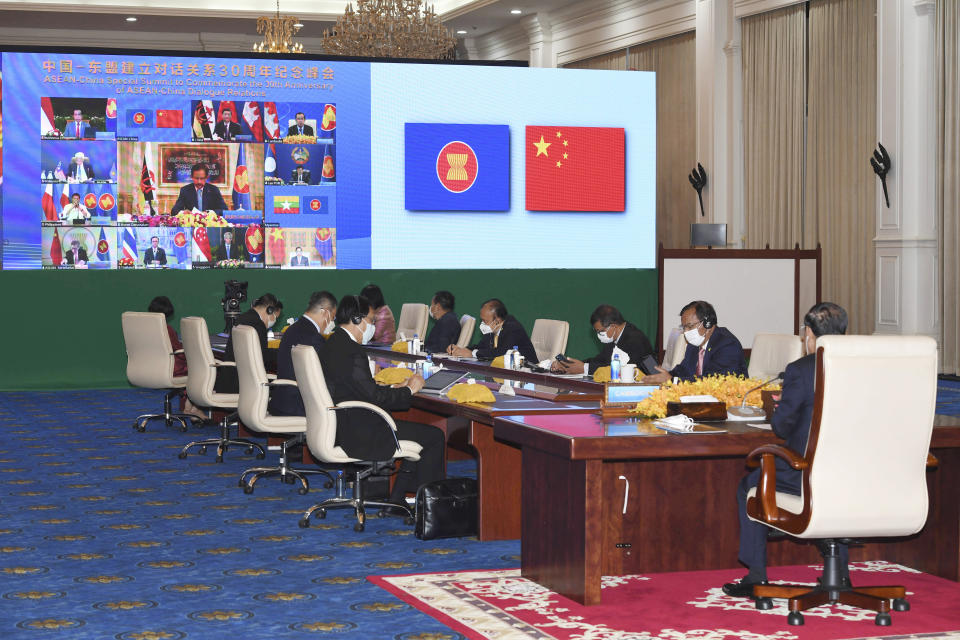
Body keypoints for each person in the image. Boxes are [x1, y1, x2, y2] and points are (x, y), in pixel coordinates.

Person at [722, 302, 849, 598]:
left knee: (750, 484)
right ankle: (841, 574)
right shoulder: (864, 368)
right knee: (837, 490)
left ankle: (756, 575)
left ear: (808, 335)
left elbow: (781, 428)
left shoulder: (802, 370)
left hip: (806, 474)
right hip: (853, 474)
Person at [319, 294, 445, 504]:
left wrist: (396, 388)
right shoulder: (352, 351)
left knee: (420, 432)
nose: (373, 327)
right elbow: (375, 398)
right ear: (357, 319)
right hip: (361, 431)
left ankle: (400, 497)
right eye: (371, 321)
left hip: (341, 425)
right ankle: (426, 504)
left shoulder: (333, 343)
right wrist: (410, 390)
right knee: (434, 436)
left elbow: (358, 388)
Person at [642, 300, 747, 383]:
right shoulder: (695, 343)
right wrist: (664, 376)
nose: (686, 332)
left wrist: (672, 381)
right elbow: (683, 370)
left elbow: (714, 382)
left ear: (708, 324)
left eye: (689, 326)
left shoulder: (727, 345)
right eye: (684, 327)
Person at [270, 291, 337, 417]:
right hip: (300, 406)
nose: (332, 322)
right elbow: (326, 377)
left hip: (283, 402)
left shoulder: (292, 330)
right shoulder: (313, 338)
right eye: (333, 317)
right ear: (325, 312)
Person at [551, 304, 655, 375]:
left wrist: (584, 369)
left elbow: (620, 370)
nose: (598, 335)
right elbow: (600, 360)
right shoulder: (615, 337)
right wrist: (571, 366)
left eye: (600, 331)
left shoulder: (635, 340)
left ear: (613, 326)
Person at [215, 293, 283, 394]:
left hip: (231, 380)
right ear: (269, 311)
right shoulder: (257, 325)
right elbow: (261, 356)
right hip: (244, 386)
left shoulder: (244, 318)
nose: (274, 321)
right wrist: (284, 353)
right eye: (275, 317)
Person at [447, 298, 537, 363]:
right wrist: (460, 350)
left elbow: (501, 353)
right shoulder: (492, 329)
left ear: (497, 321)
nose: (482, 324)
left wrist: (473, 354)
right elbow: (480, 346)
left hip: (529, 373)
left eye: (485, 321)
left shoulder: (513, 328)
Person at [148, 295, 187, 378]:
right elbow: (180, 352)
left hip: (149, 366)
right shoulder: (167, 329)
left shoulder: (144, 328)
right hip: (172, 369)